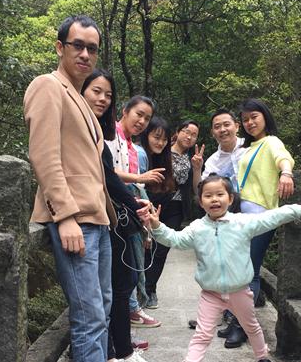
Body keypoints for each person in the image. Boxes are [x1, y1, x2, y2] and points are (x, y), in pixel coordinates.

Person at [24, 15, 150, 362]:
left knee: (103, 310)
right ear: (60, 47)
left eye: (92, 48)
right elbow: (44, 155)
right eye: (76, 45)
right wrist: (65, 215)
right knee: (90, 317)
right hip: (75, 220)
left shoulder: (79, 99)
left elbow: (95, 169)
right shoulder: (48, 87)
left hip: (97, 220)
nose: (84, 53)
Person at [147, 174, 301, 362]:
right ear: (200, 202)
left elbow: (270, 217)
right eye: (208, 195)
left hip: (240, 291)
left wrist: (297, 210)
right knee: (202, 335)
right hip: (211, 294)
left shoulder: (242, 223)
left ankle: (262, 357)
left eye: (220, 194)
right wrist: (157, 226)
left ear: (230, 198)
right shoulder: (197, 228)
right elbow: (175, 240)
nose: (214, 199)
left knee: (251, 326)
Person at [81, 69, 162, 362]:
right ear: (125, 111)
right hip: (96, 217)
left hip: (114, 217)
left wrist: (134, 203)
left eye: (108, 95)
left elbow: (110, 178)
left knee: (120, 286)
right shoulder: (99, 133)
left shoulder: (109, 136)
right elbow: (107, 176)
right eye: (96, 91)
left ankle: (123, 353)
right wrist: (134, 197)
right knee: (108, 291)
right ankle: (112, 358)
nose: (102, 99)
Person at [105, 96, 164, 328]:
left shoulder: (131, 145)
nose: (141, 121)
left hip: (126, 209)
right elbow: (107, 172)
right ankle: (129, 314)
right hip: (112, 211)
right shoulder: (110, 135)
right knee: (124, 270)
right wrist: (140, 178)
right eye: (139, 114)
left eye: (147, 118)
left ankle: (129, 316)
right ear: (125, 111)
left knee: (128, 268)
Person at [196, 108, 248, 346]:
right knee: (229, 266)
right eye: (217, 126)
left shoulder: (251, 148)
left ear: (236, 125)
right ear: (212, 132)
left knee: (248, 268)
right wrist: (197, 169)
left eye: (226, 124)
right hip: (227, 220)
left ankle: (241, 326)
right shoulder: (213, 161)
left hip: (252, 215)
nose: (223, 129)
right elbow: (203, 190)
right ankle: (232, 318)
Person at [237, 98, 295, 305]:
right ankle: (234, 313)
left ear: (265, 117)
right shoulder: (250, 147)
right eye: (245, 120)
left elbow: (283, 157)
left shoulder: (271, 141)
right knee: (241, 268)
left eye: (254, 117)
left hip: (261, 214)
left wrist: (286, 173)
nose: (249, 123)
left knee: (250, 270)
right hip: (244, 216)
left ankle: (241, 320)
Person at [143, 119, 204, 309]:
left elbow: (197, 188)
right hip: (154, 203)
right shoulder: (161, 151)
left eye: (194, 135)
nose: (189, 137)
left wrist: (197, 168)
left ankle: (150, 290)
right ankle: (139, 288)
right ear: (177, 132)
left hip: (175, 209)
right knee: (146, 247)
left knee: (162, 249)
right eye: (186, 131)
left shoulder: (193, 159)